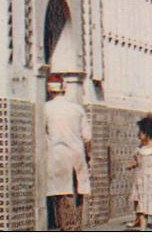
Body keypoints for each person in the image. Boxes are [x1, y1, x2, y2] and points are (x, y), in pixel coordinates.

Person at [44, 74, 92, 231]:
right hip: (77, 154)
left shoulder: (45, 108)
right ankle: (75, 226)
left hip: (58, 156)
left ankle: (68, 228)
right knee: (78, 191)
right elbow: (87, 137)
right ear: (64, 88)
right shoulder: (77, 109)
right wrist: (88, 156)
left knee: (62, 193)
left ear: (49, 90)